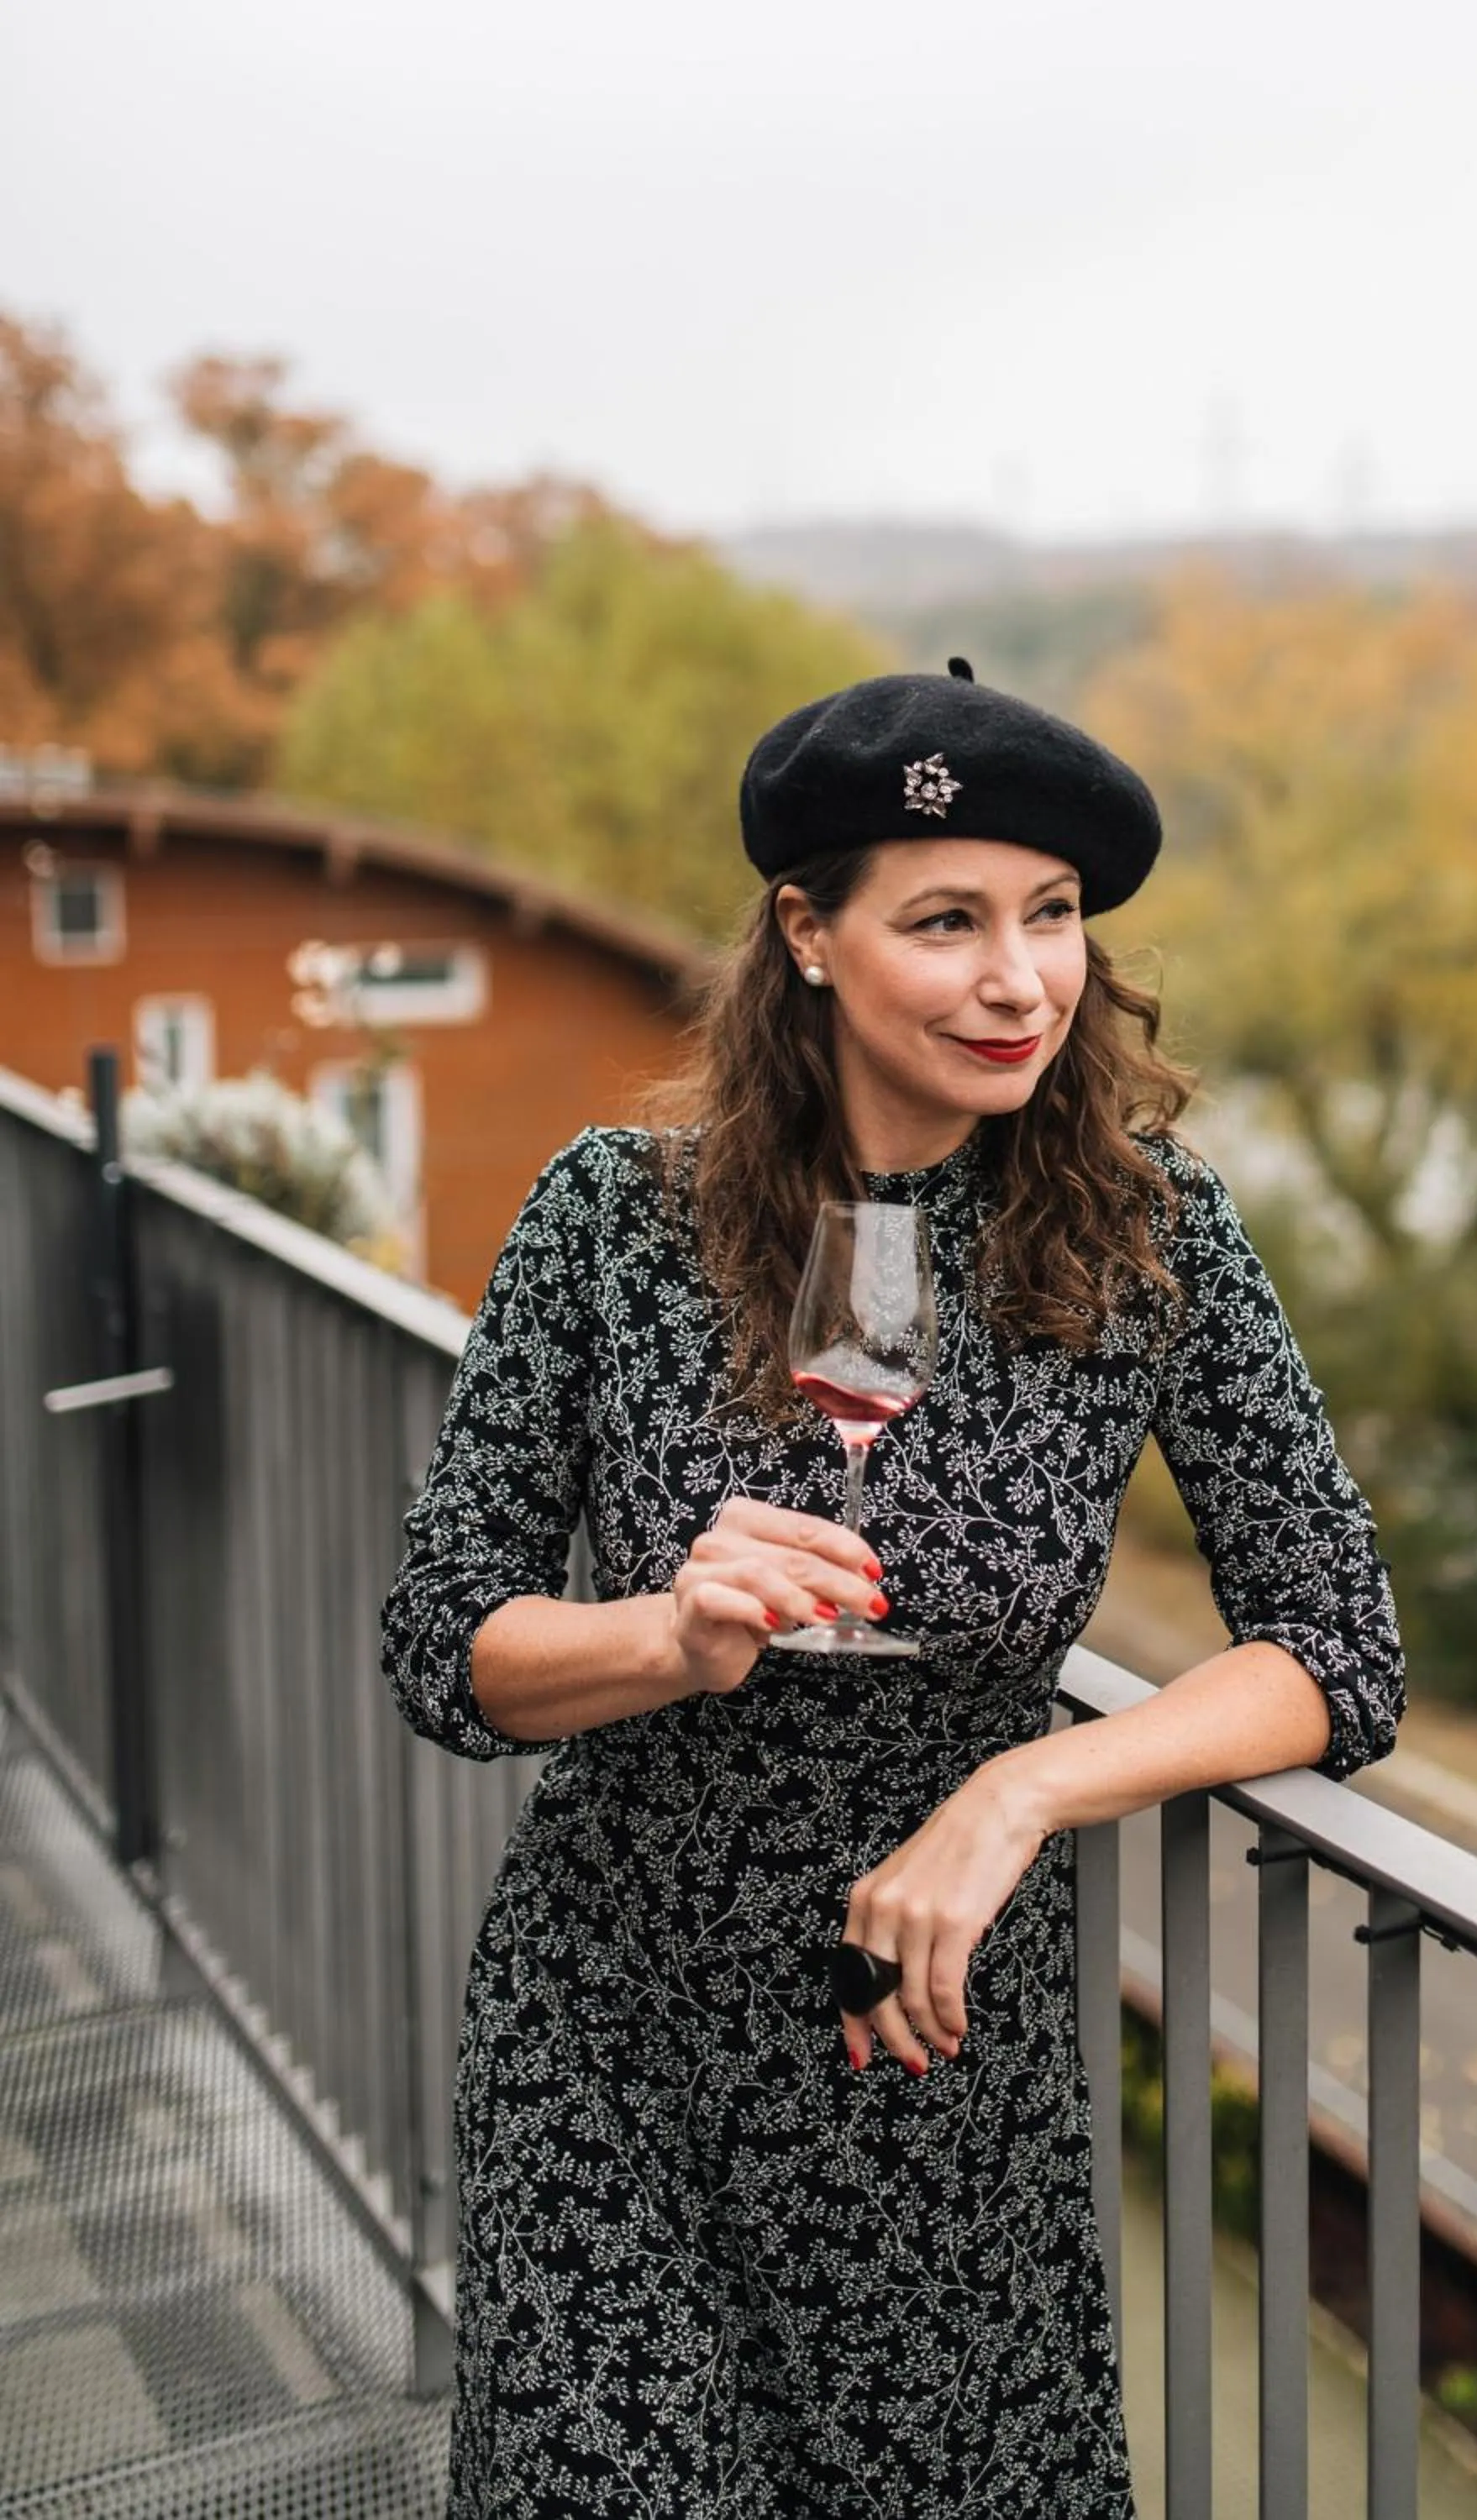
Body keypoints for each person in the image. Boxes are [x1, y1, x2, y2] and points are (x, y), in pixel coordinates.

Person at [381, 659, 1406, 2518]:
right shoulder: (613, 1216)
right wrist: (663, 1637)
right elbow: (447, 1650)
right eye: (947, 920)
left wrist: (1018, 1791)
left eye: (1054, 917)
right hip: (622, 2036)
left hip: (935, 2059)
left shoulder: (1150, 1238)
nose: (1021, 980)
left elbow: (1338, 1649)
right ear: (811, 933)